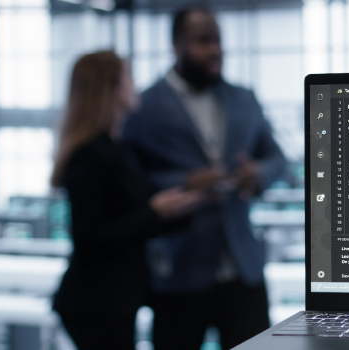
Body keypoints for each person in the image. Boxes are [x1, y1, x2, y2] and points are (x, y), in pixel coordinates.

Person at [122, 6, 287, 350]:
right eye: (203, 41)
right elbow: (129, 182)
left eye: (218, 40)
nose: (215, 50)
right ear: (176, 44)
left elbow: (276, 158)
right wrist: (184, 183)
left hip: (243, 269)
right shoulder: (144, 105)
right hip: (179, 270)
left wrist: (256, 175)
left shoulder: (243, 98)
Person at [50, 50, 203, 350]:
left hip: (113, 300)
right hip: (96, 304)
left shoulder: (115, 148)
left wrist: (180, 206)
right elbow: (88, 239)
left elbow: (136, 213)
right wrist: (155, 214)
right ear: (109, 88)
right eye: (127, 77)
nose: (134, 84)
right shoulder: (91, 155)